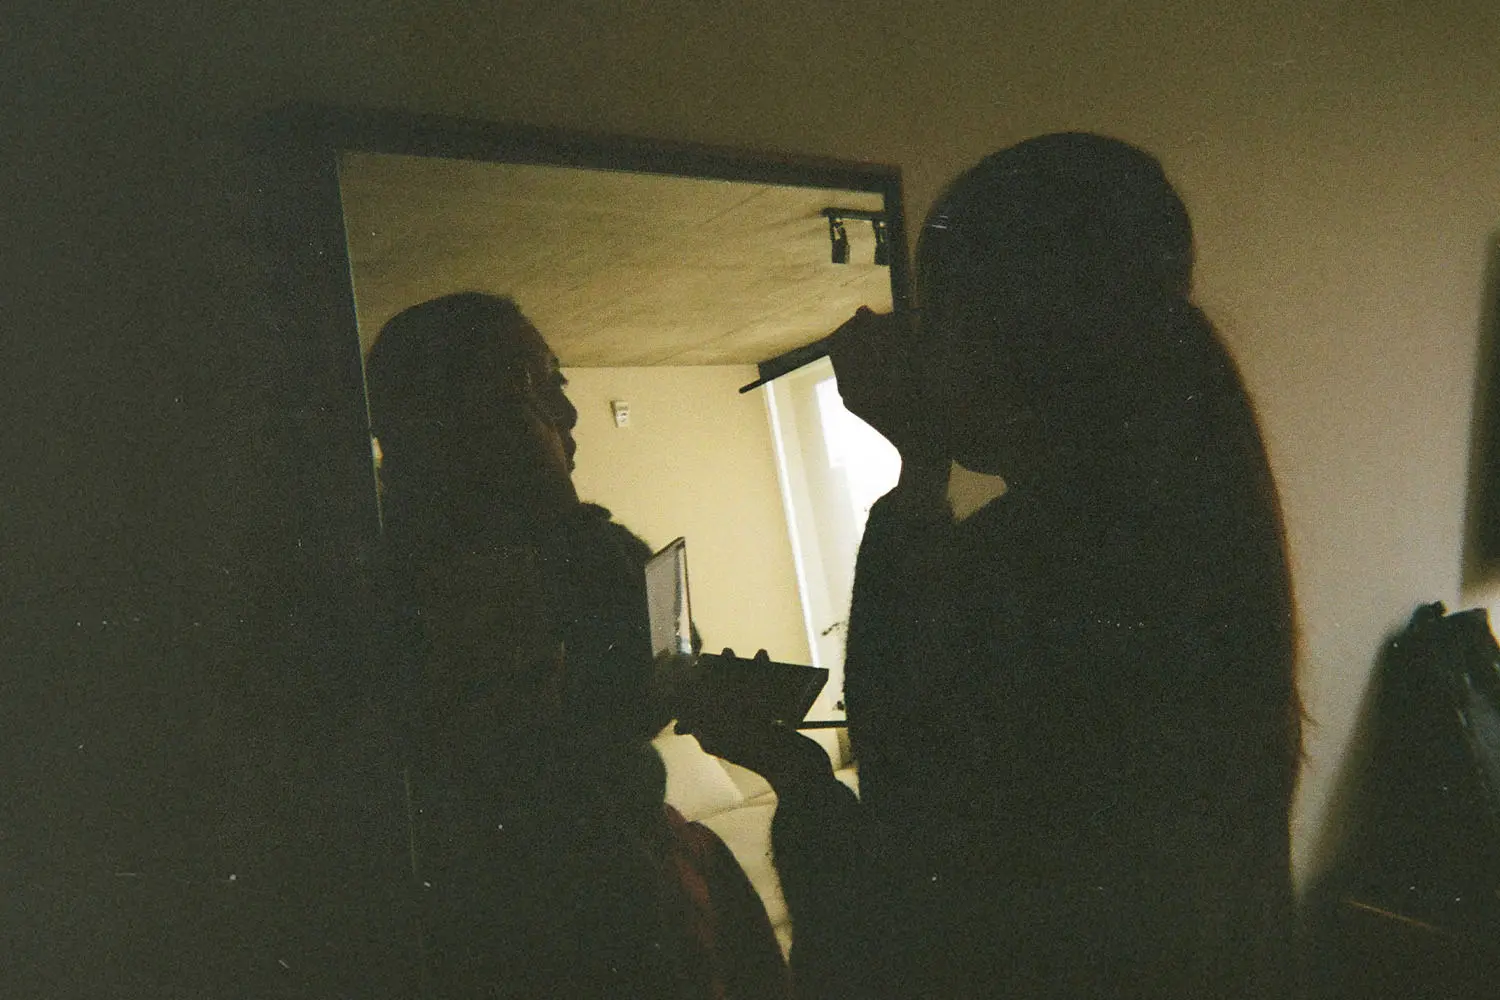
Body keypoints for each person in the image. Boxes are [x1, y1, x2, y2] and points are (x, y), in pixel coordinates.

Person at [684, 134, 1302, 999]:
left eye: (935, 308)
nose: (906, 333)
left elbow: (906, 918)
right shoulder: (1178, 519)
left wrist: (793, 774)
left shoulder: (1027, 569)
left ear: (1017, 336)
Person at [364, 292, 788, 1000]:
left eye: (554, 386)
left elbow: (645, 686)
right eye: (536, 388)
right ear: (464, 414)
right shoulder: (410, 580)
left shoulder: (580, 547)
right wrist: (553, 500)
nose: (566, 414)